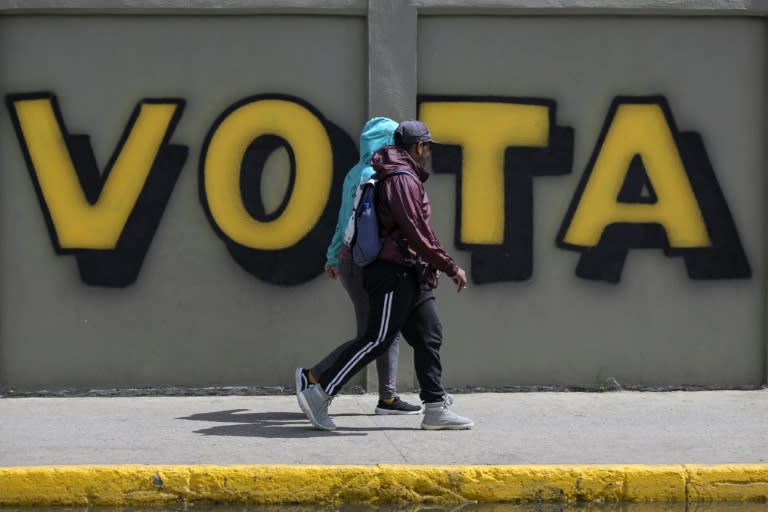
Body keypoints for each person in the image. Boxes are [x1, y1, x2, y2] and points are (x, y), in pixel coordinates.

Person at [295, 119, 473, 431]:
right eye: (428, 146)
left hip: (412, 271)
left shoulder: (399, 174)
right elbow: (415, 230)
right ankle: (320, 390)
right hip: (393, 271)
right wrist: (448, 265)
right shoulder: (400, 178)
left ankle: (434, 407)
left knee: (429, 334)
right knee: (376, 338)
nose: (429, 152)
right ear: (418, 147)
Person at [304, 117, 420, 415]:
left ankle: (387, 397)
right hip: (365, 263)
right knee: (375, 336)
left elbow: (343, 219)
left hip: (350, 260)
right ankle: (314, 377)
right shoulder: (376, 175)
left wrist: (333, 258)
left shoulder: (356, 172)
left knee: (381, 333)